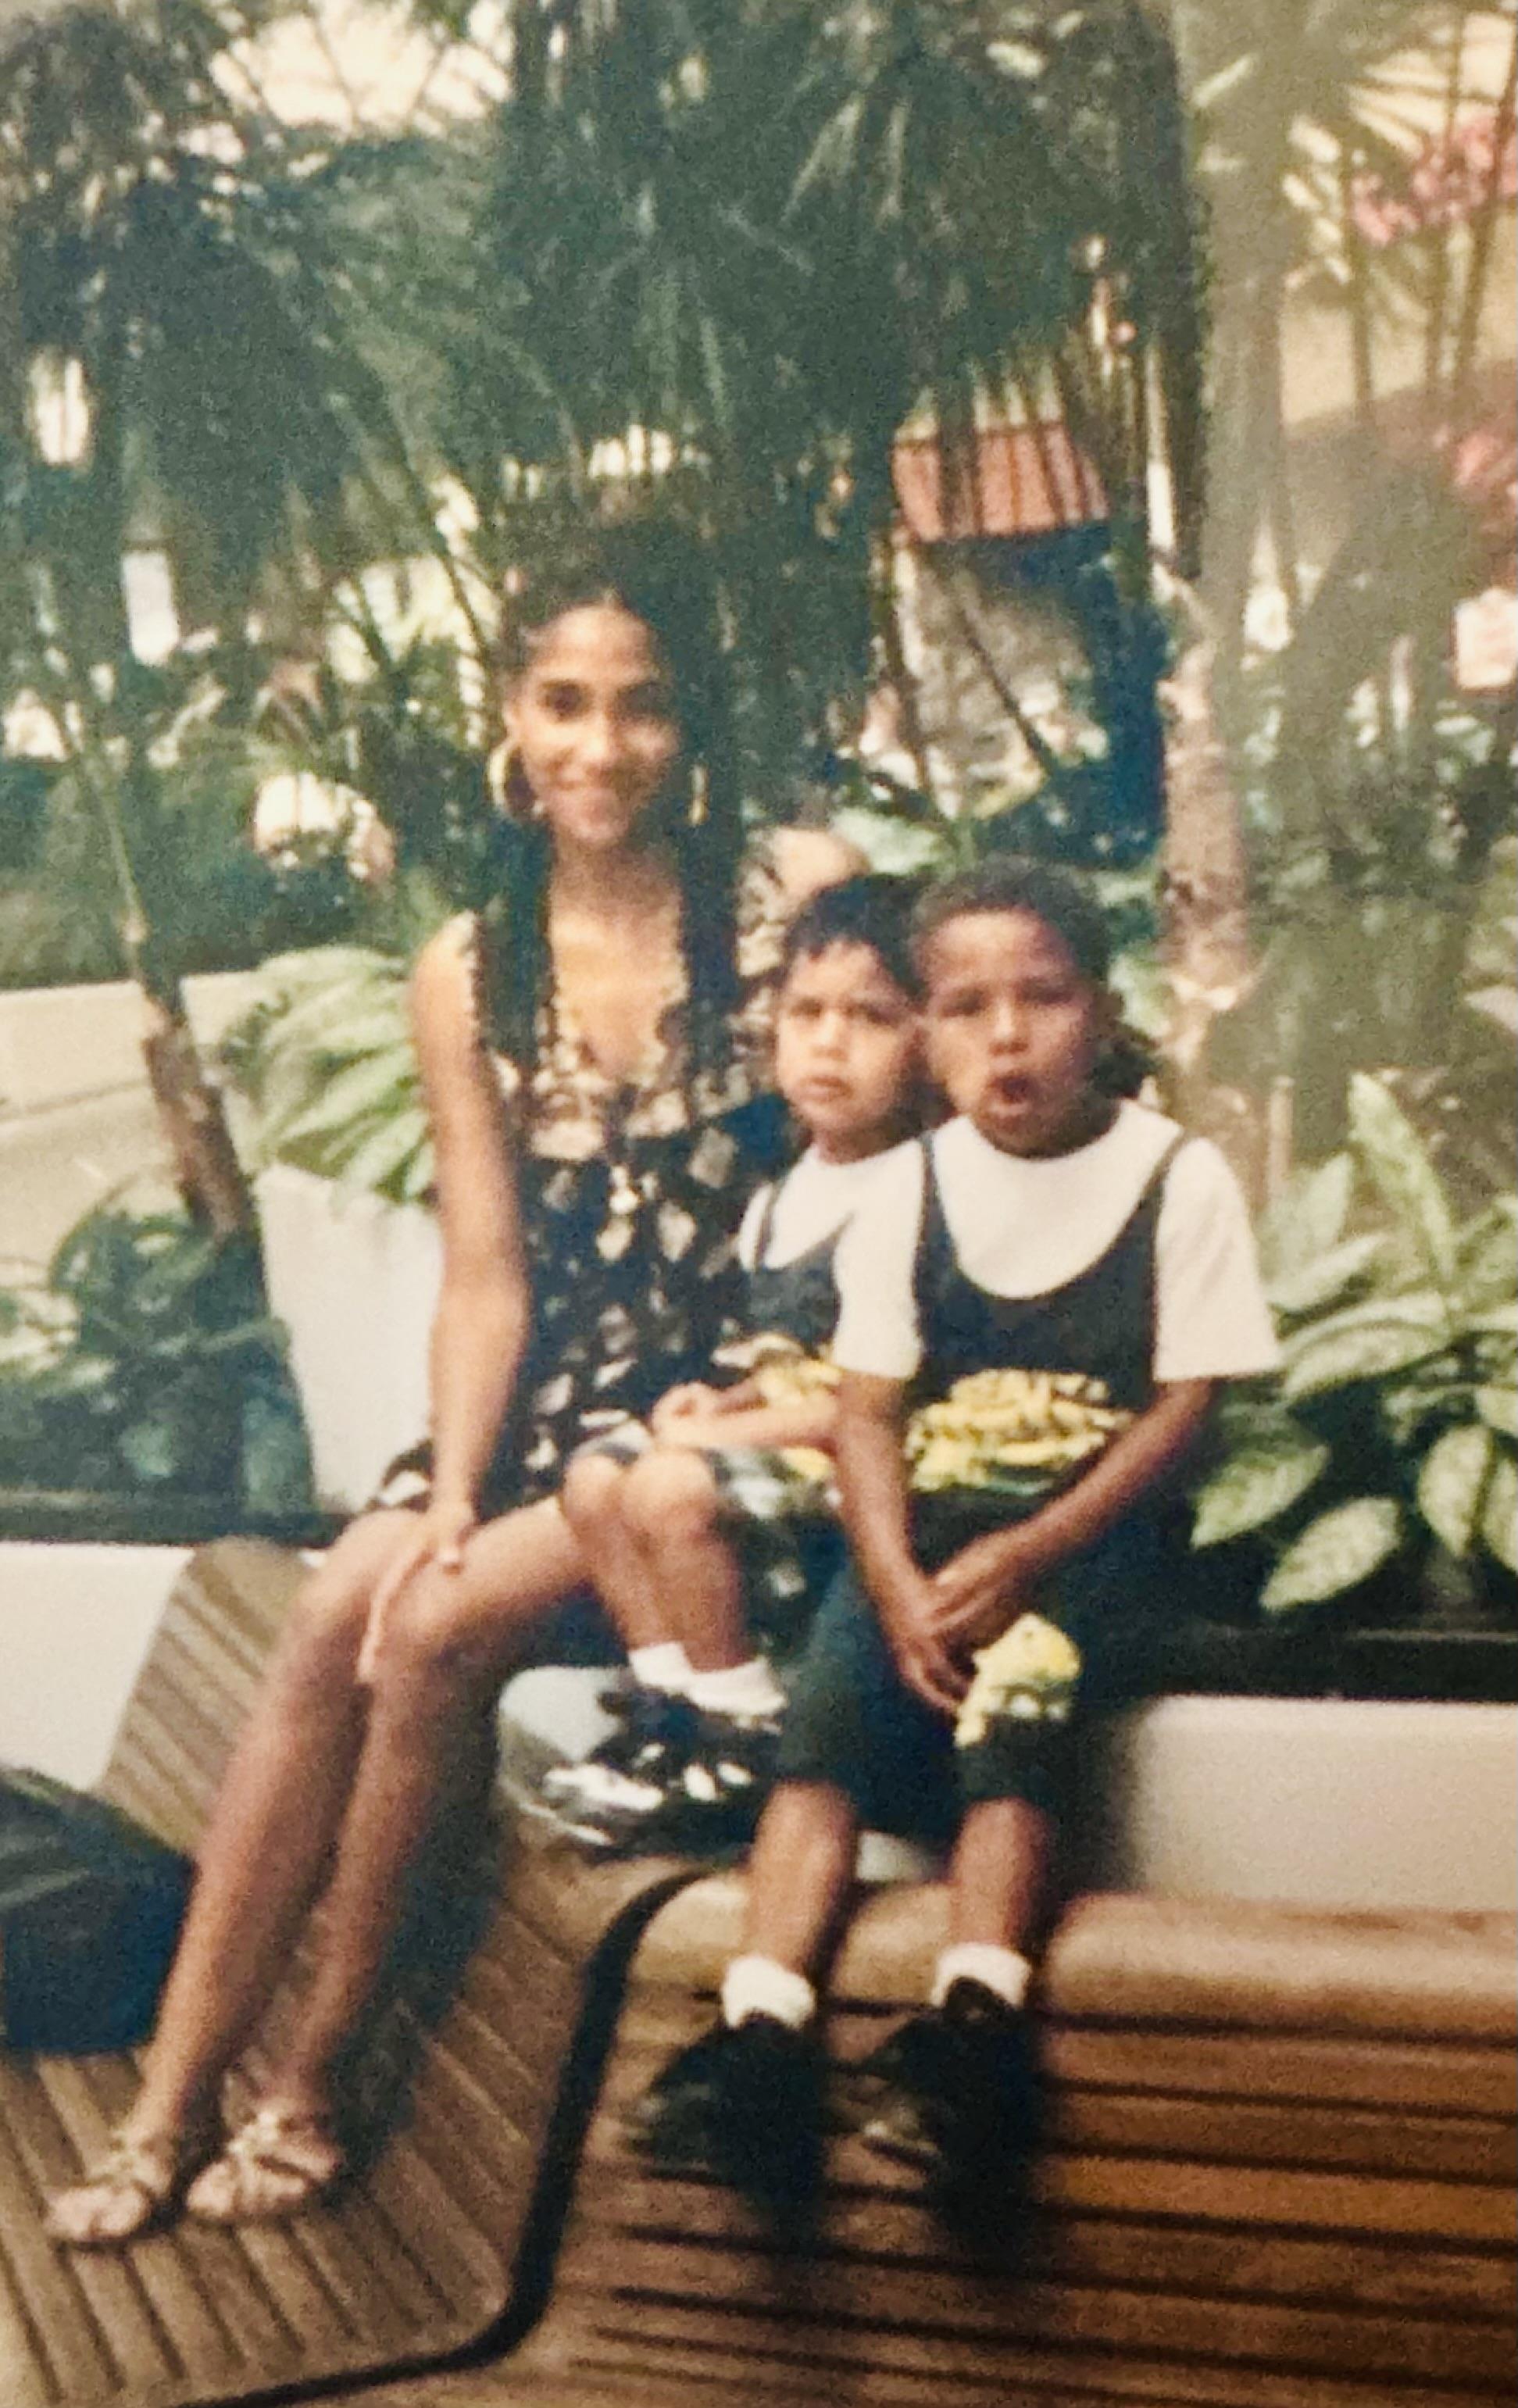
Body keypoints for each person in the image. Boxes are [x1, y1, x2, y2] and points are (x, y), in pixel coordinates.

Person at [45, 520, 855, 2246]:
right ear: (509, 712)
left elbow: (891, 1179)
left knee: (421, 1625)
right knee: (338, 1599)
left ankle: (312, 2079)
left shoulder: (787, 898)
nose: (599, 747)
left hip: (718, 1419)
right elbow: (487, 1276)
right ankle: (169, 2098)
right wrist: (455, 1493)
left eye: (640, 705)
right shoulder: (472, 967)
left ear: (689, 719)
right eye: (563, 703)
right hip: (551, 1401)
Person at [628, 858, 1280, 2214]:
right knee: (825, 1729)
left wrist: (1029, 1553)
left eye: (1042, 998)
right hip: (925, 1534)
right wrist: (890, 1577)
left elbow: (1183, 1412)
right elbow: (865, 1413)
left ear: (1100, 1009)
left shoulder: (1172, 1178)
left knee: (1015, 1709)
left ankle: (975, 2024)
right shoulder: (909, 1189)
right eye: (966, 1007)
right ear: (926, 1031)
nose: (1006, 1035)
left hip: (1083, 1536)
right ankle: (761, 2030)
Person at [542, 873, 925, 1852]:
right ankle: (672, 1712)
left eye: (870, 1017)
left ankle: (742, 1728)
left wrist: (726, 1433)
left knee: (670, 1485)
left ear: (927, 1039)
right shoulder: (783, 1194)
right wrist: (725, 1398)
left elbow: (868, 1403)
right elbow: (791, 1359)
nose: (829, 1043)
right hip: (785, 1441)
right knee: (593, 1479)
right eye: (806, 1013)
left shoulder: (918, 1194)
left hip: (867, 1471)